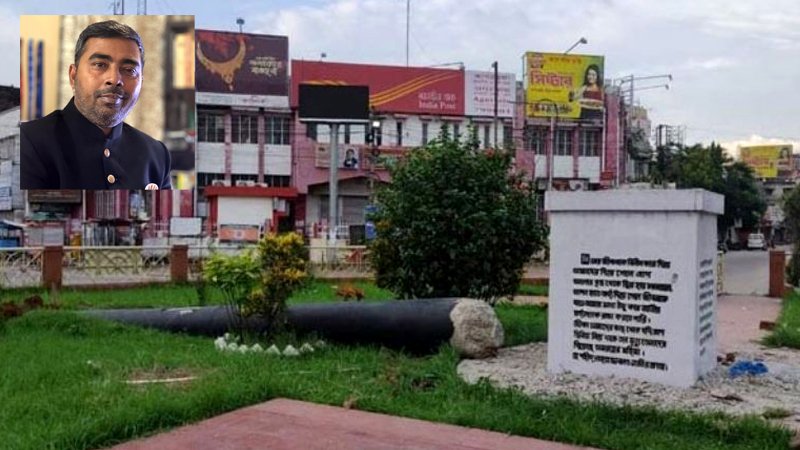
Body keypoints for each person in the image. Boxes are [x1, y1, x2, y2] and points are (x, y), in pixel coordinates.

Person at [21, 20, 171, 190]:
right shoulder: (29, 141)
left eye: (129, 70)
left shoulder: (156, 155)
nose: (114, 79)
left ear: (141, 82)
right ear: (73, 76)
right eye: (100, 65)